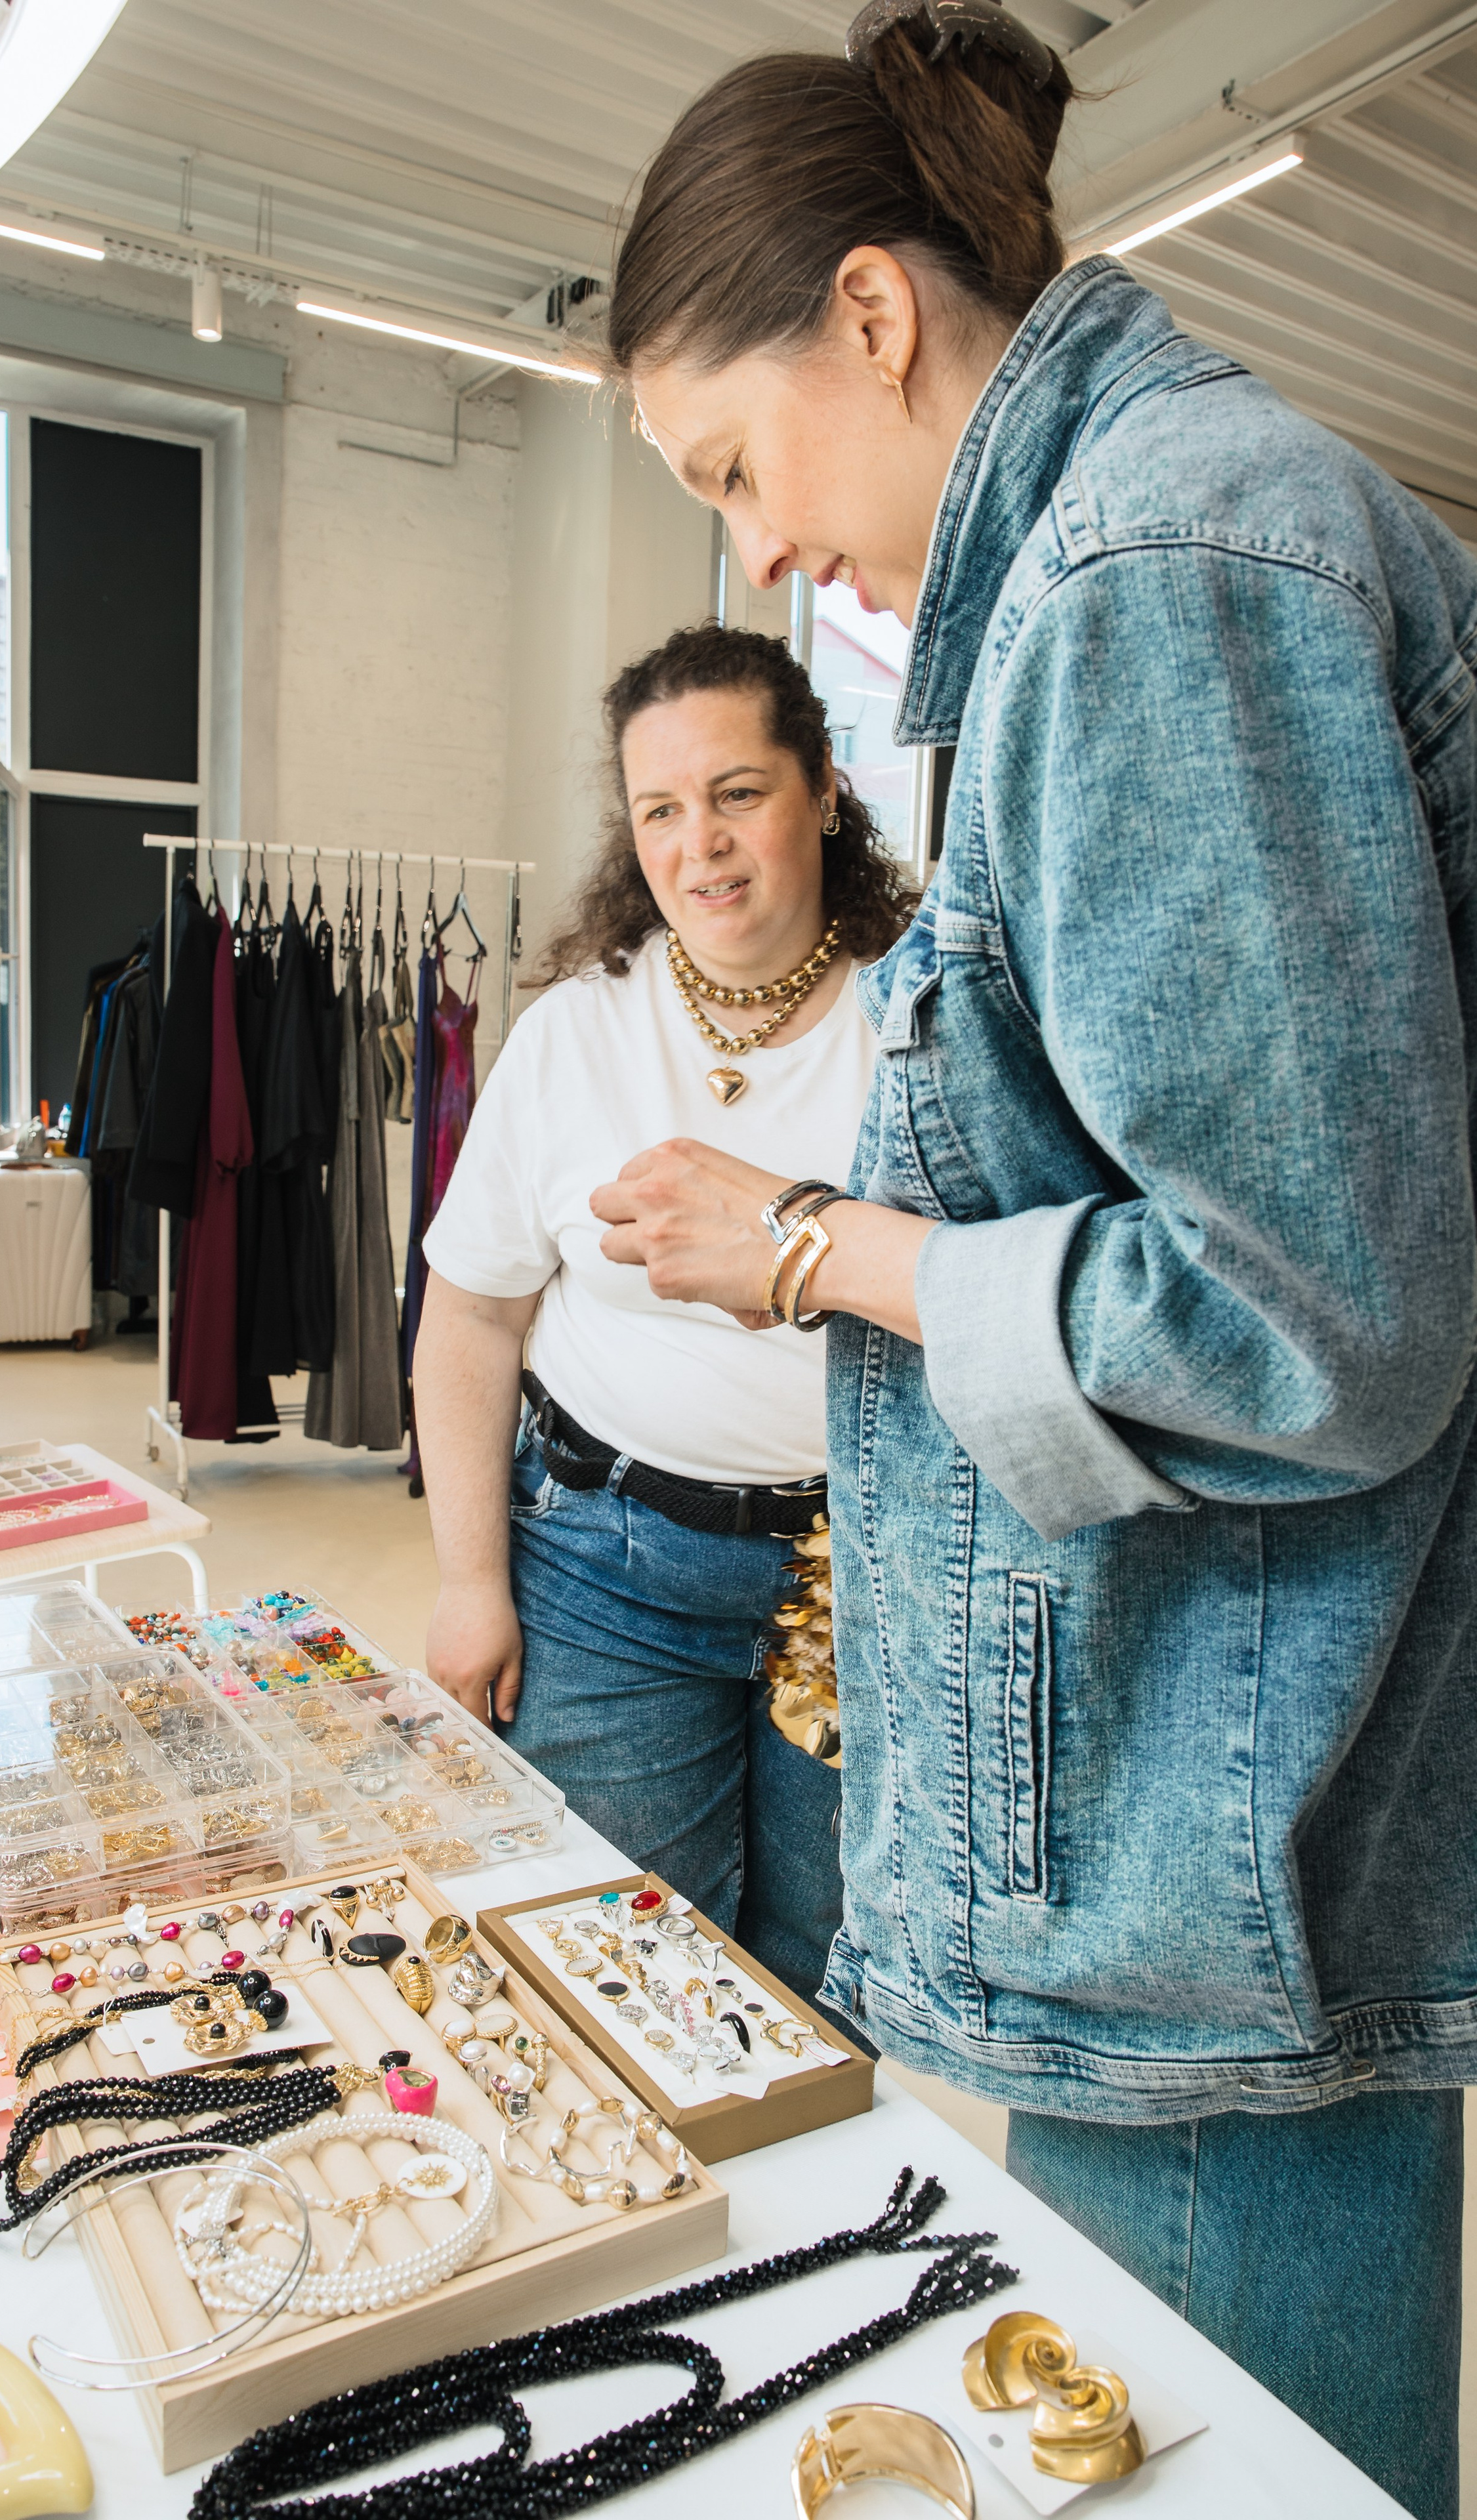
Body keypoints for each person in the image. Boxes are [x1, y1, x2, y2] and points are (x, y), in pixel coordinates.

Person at [584, 9, 1477, 2518]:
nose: (755, 542)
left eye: (734, 464)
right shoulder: (1148, 550)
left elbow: (1303, 1315)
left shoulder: (1151, 571)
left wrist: (821, 1251)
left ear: (874, 317)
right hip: (1227, 1815)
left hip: (1209, 1846)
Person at [413, 624, 914, 2003]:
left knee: (821, 1990)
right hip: (602, 1570)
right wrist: (469, 1583)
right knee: (629, 1985)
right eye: (659, 810)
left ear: (823, 788)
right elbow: (467, 1320)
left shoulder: (920, 1027)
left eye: (738, 792)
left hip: (856, 1583)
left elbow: (990, 1302)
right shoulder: (577, 1032)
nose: (701, 846)